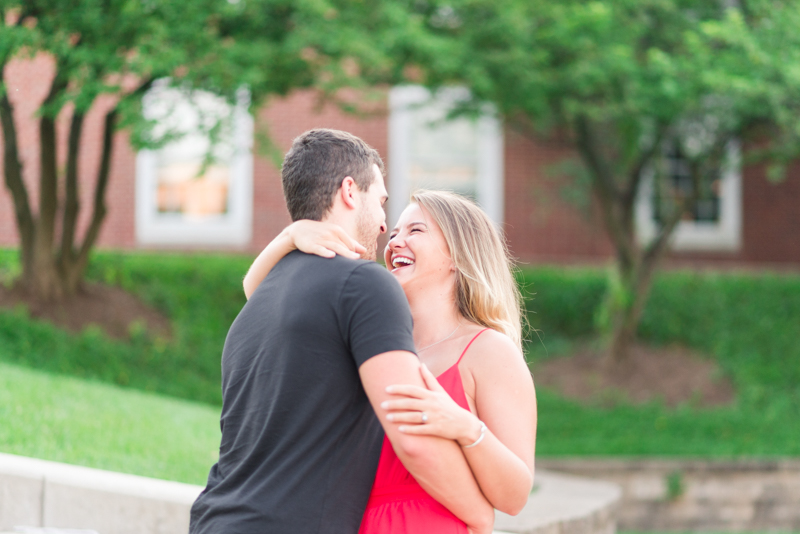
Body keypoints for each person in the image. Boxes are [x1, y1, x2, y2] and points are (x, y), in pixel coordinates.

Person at [190, 129, 494, 534]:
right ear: (350, 191)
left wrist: (287, 237)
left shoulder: (260, 301)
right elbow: (410, 430)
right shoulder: (365, 283)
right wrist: (479, 515)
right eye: (382, 201)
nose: (386, 225)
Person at [243, 189, 537, 533]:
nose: (395, 242)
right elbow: (261, 299)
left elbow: (514, 497)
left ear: (459, 254)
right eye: (394, 232)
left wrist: (464, 426)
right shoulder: (371, 344)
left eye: (416, 230)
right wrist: (290, 236)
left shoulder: (489, 350)